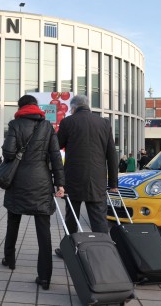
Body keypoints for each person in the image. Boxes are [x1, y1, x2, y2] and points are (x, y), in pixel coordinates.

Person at [1, 95, 65, 291]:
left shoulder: (15, 124)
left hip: (18, 180)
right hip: (41, 181)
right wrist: (60, 184)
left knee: (13, 220)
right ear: (36, 107)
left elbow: (9, 153)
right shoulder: (47, 126)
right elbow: (55, 156)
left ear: (21, 107)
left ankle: (10, 259)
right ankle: (45, 277)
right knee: (43, 230)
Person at [55, 95, 118, 258]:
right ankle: (104, 253)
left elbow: (57, 146)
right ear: (88, 106)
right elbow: (111, 154)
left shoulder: (68, 122)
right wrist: (113, 182)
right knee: (99, 219)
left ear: (74, 107)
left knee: (72, 217)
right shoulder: (104, 123)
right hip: (97, 180)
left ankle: (68, 250)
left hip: (73, 179)